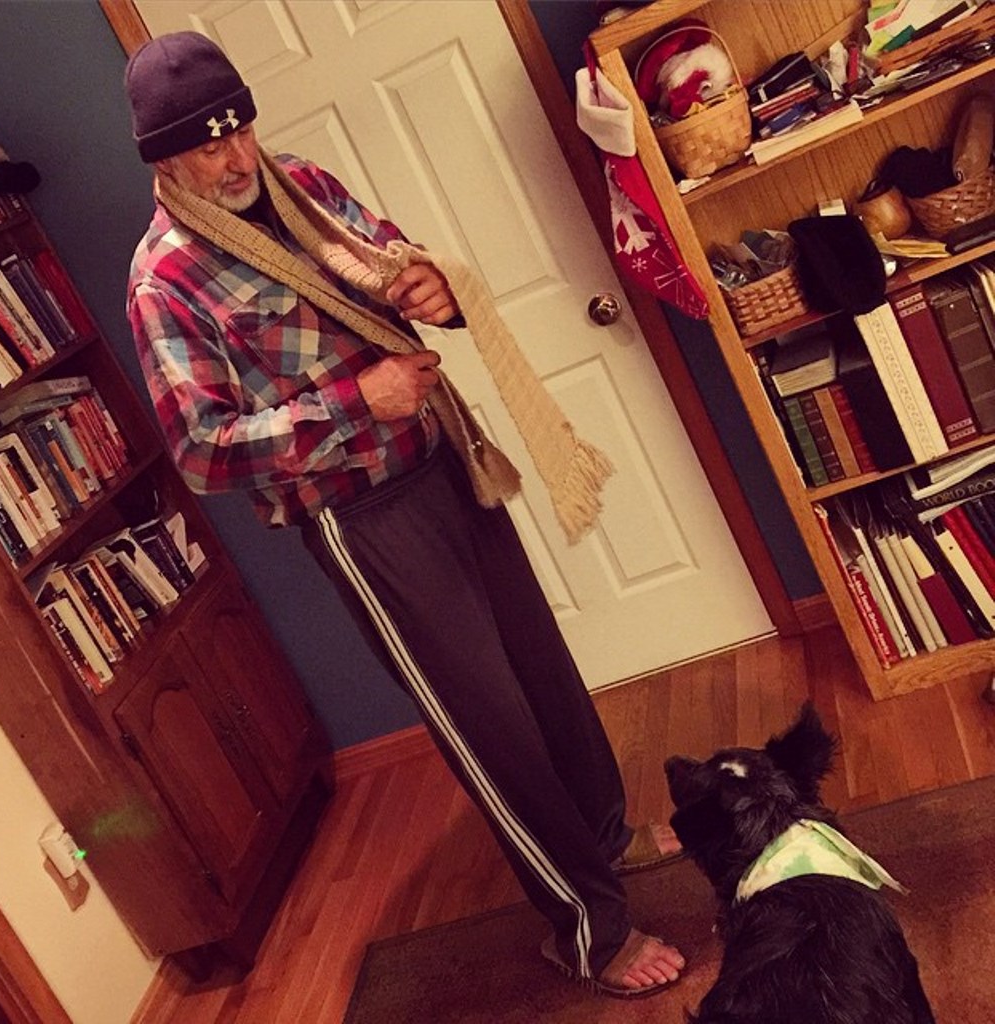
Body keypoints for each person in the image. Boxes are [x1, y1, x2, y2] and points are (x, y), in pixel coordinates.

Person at [123, 30, 685, 999]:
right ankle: (586, 930)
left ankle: (604, 837)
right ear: (164, 161)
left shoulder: (302, 184)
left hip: (441, 460)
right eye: (209, 147)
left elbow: (394, 265)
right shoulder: (163, 282)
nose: (238, 158)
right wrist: (356, 402)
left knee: (542, 673)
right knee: (488, 724)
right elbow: (204, 450)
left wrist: (436, 291)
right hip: (361, 517)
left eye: (240, 130)